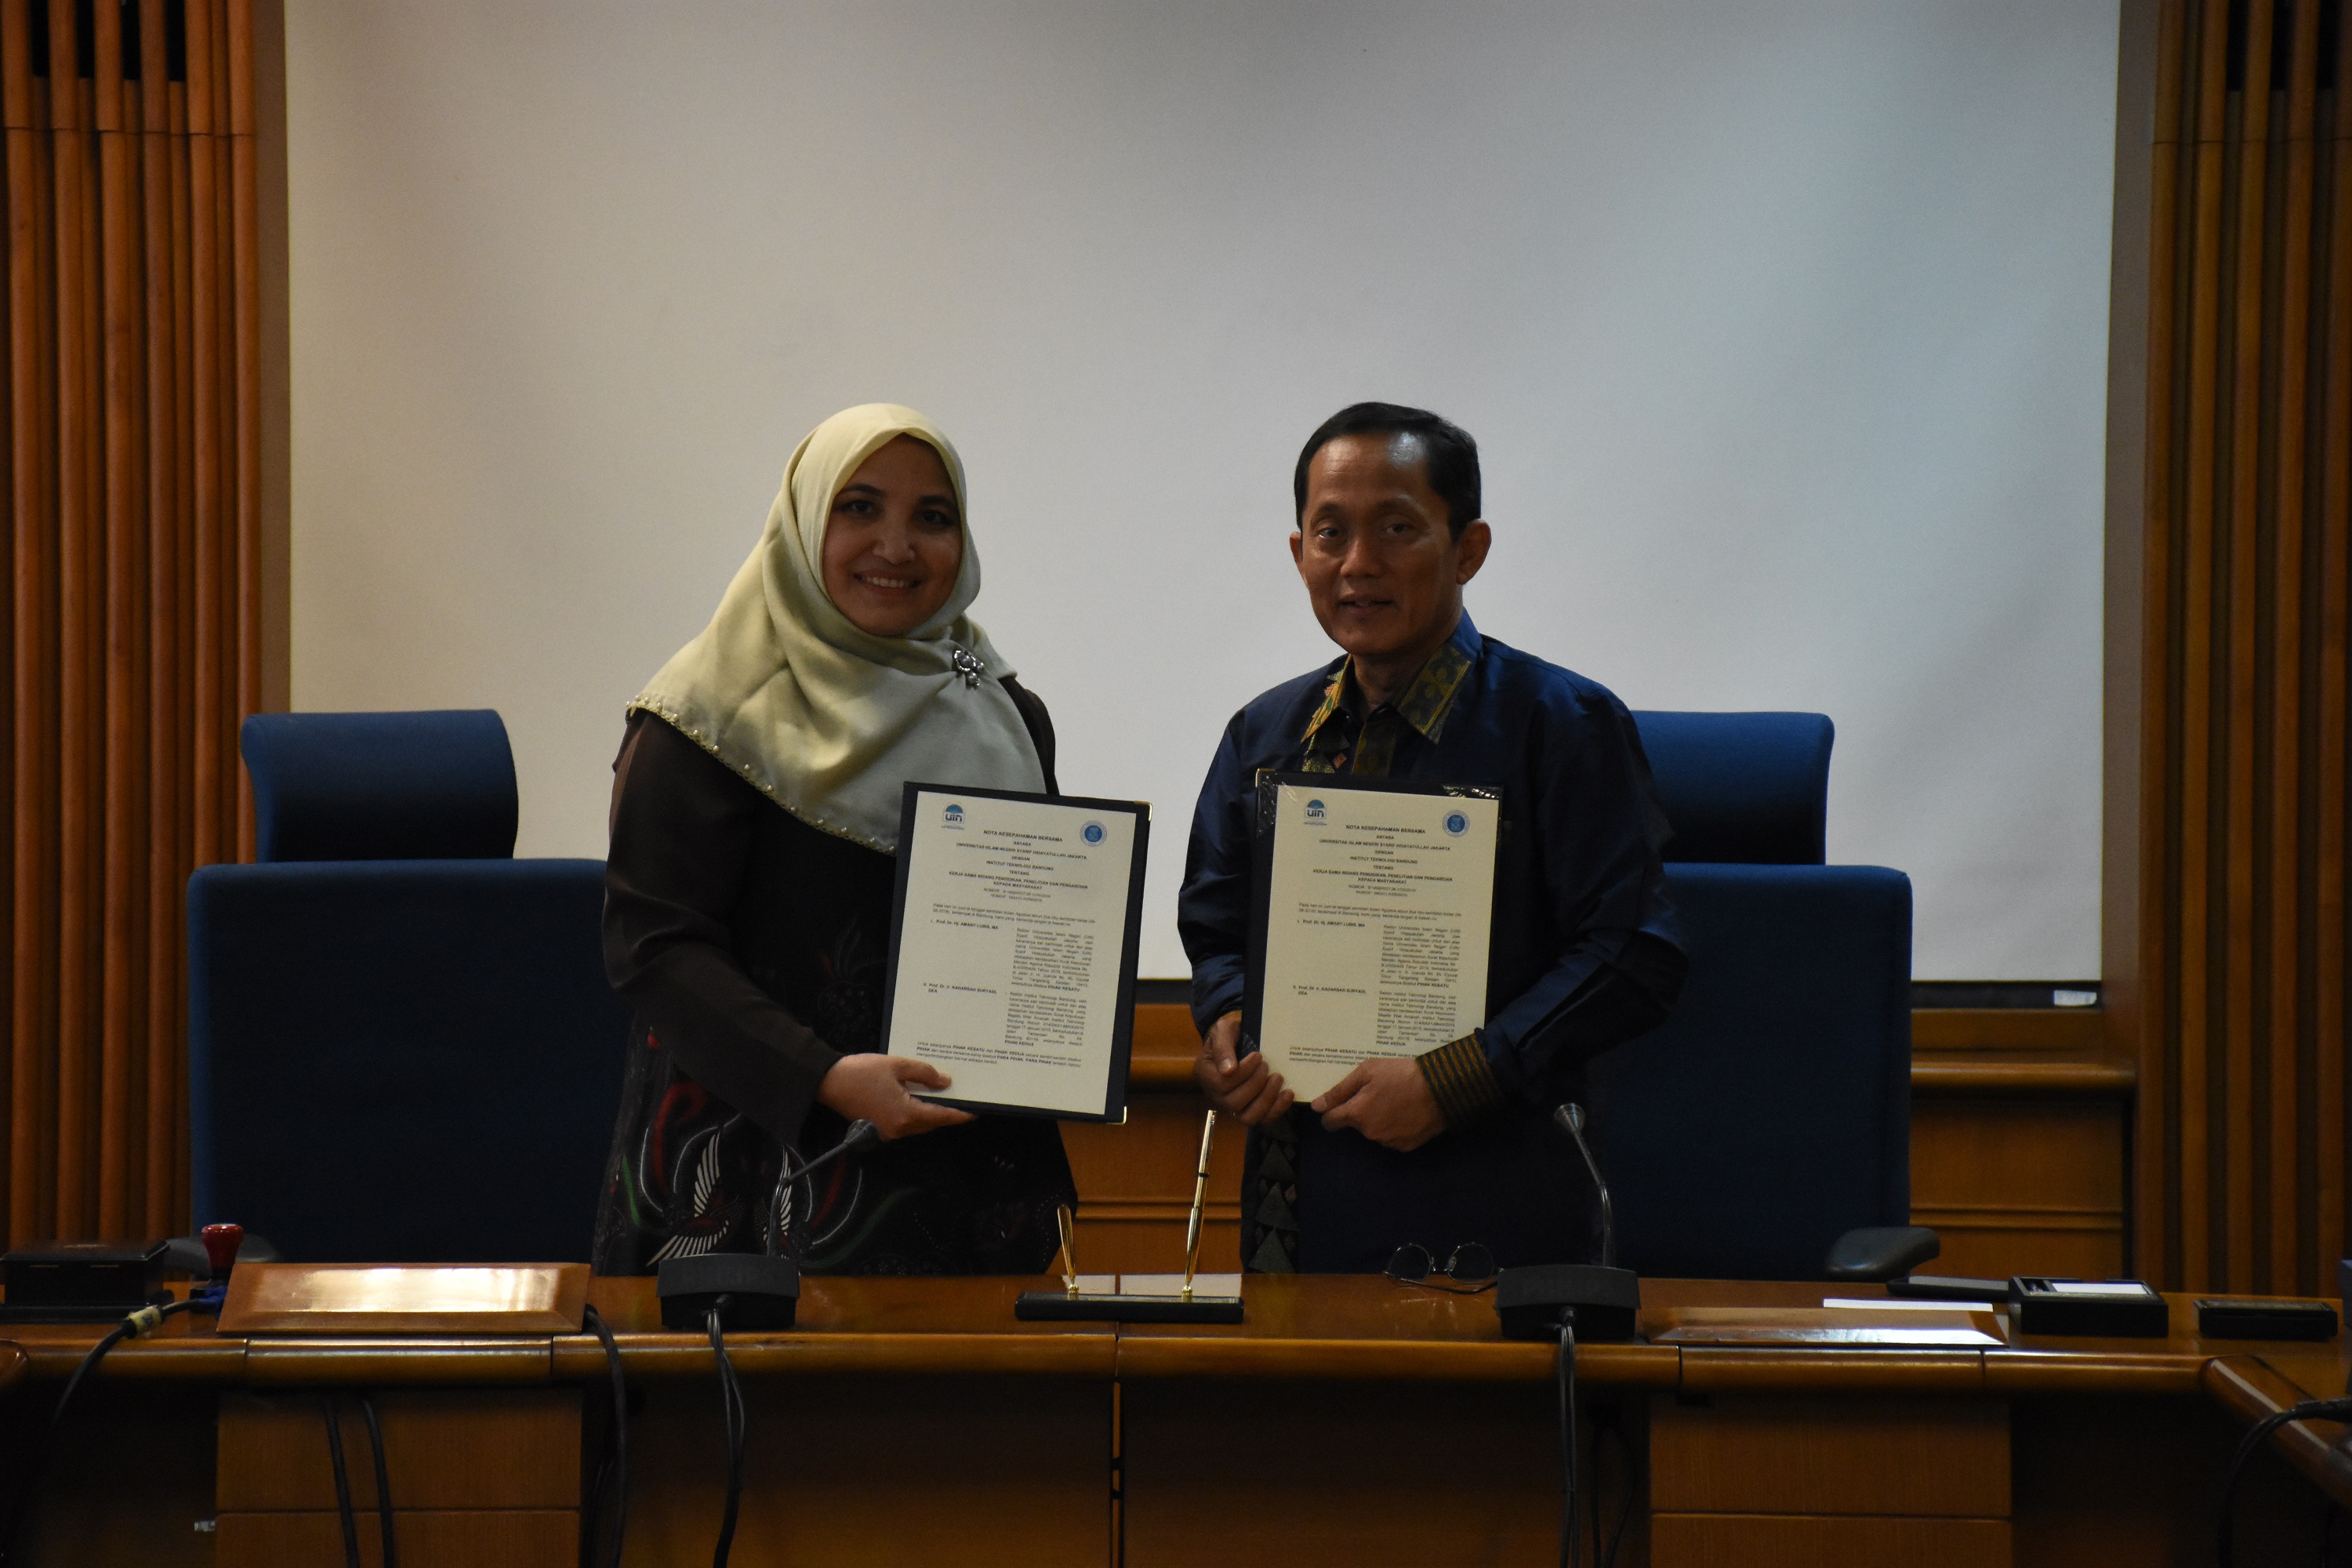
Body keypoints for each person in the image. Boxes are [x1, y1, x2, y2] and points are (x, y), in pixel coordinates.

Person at [1178, 402, 1686, 1275]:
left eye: (1397, 529)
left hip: (1496, 1208)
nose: (1358, 563)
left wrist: (1457, 1079)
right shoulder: (1264, 734)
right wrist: (1229, 1026)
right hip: (1297, 1207)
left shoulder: (1562, 724)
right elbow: (1216, 927)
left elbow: (1635, 948)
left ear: (1469, 550)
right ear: (1298, 553)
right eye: (1330, 532)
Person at [592, 403, 1075, 1276]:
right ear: (803, 521)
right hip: (753, 1170)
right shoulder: (701, 718)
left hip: (960, 1171)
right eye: (859, 507)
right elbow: (652, 946)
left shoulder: (1007, 714)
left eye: (933, 517)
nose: (897, 545)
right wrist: (821, 1076)